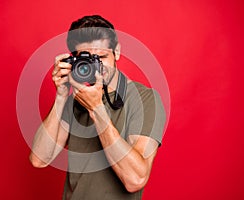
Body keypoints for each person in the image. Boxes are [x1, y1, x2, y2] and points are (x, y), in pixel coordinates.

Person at [29, 15, 166, 200]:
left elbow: (135, 179)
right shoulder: (76, 100)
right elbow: (39, 159)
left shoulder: (145, 99)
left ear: (116, 51)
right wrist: (61, 96)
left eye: (101, 57)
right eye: (87, 60)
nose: (97, 66)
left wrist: (97, 109)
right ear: (74, 60)